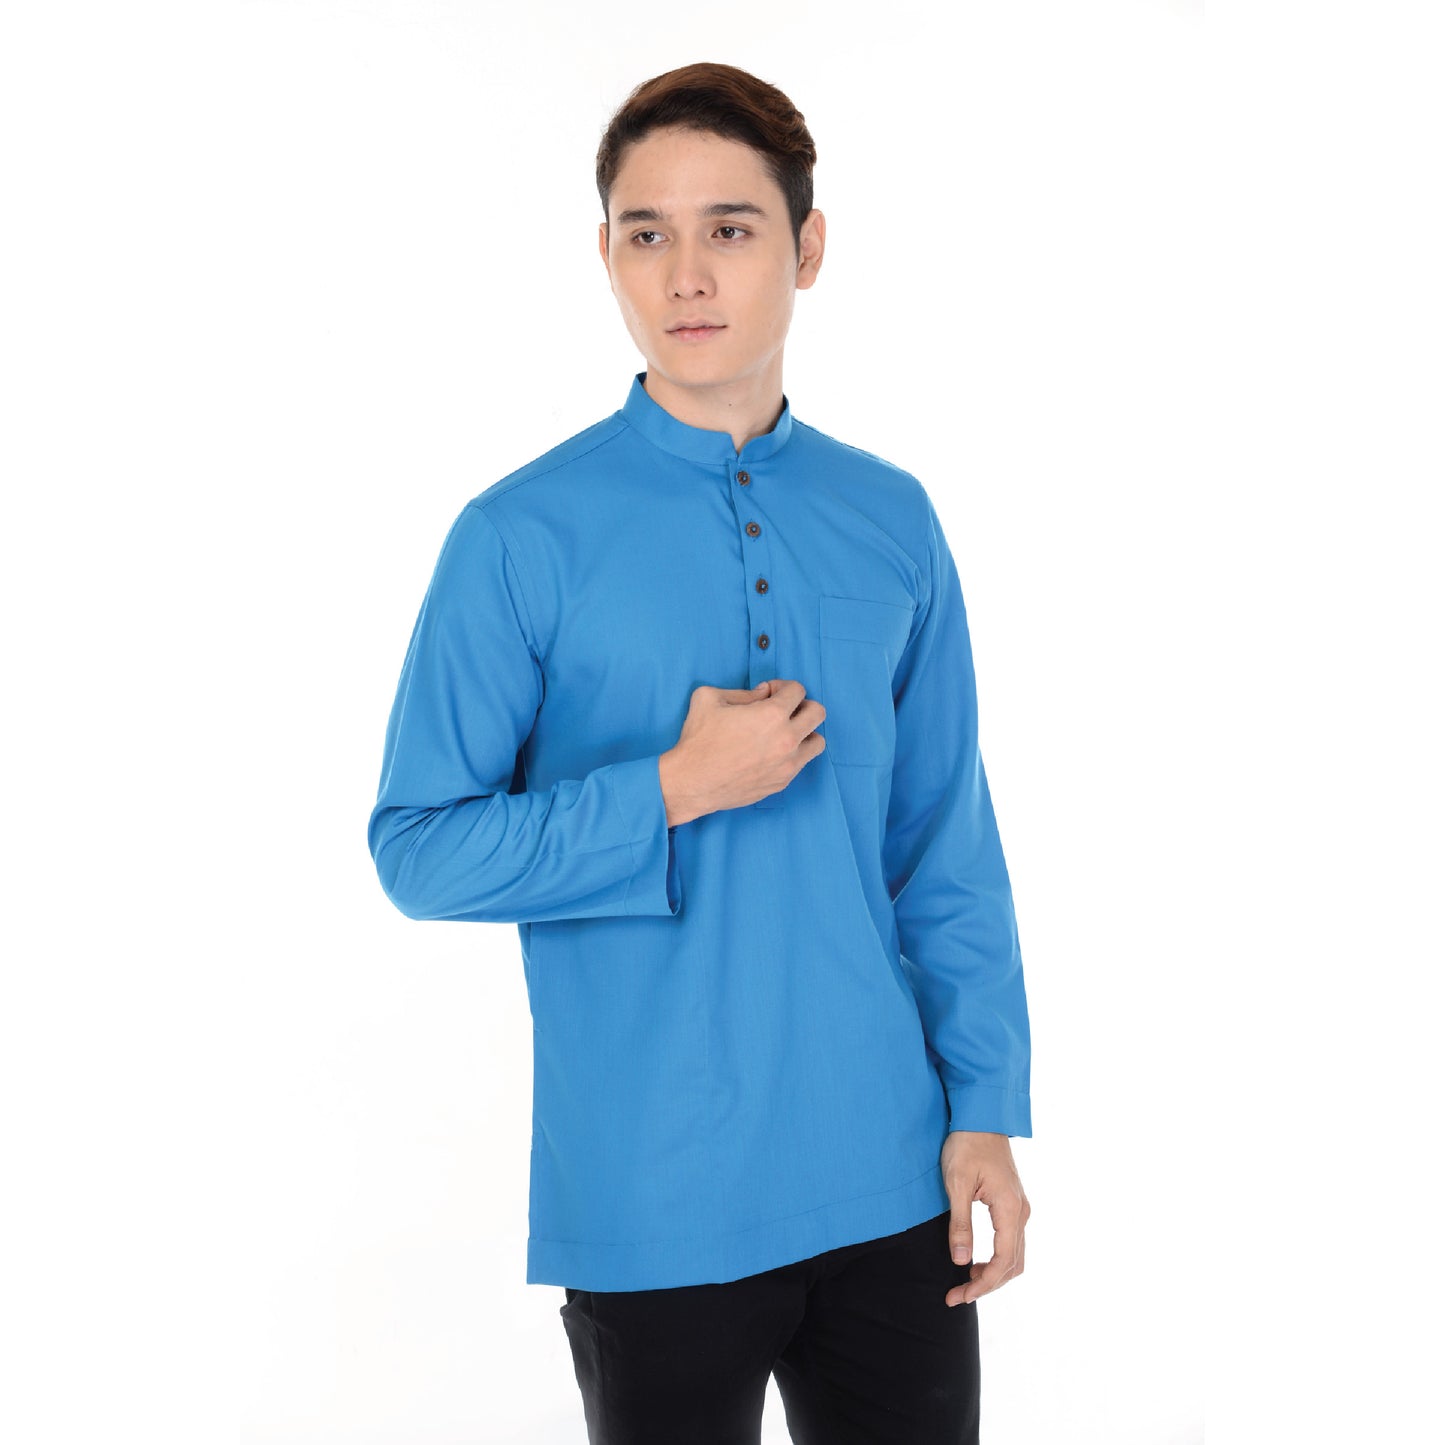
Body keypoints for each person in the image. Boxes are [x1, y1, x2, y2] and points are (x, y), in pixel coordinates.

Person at [367, 60, 1032, 1445]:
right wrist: (668, 791)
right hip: (652, 1191)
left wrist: (983, 1106)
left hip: (890, 1174)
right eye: (645, 233)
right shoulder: (518, 536)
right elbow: (418, 849)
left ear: (808, 247)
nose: (686, 274)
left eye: (729, 227)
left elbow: (942, 841)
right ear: (605, 256)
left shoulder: (891, 518)